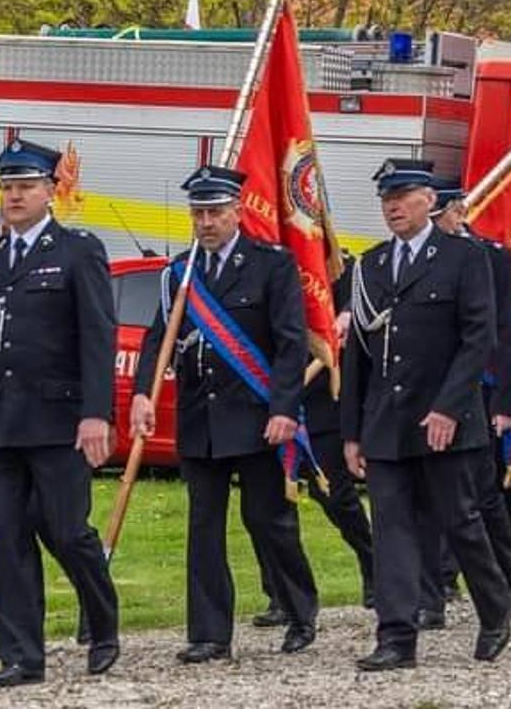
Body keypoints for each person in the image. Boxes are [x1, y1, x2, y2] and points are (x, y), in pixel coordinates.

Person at [129, 165, 317, 664]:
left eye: (215, 212)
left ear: (238, 211)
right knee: (204, 528)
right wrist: (144, 393)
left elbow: (290, 344)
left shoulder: (271, 265)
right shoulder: (180, 272)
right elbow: (157, 339)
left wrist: (284, 409)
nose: (206, 222)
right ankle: (210, 633)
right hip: (201, 419)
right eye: (198, 213)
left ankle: (299, 611)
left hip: (257, 417)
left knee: (269, 521)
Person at [0, 139, 120, 687]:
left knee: (67, 532)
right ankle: (22, 654)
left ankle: (102, 620)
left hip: (59, 421)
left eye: (26, 186)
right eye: (7, 187)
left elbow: (98, 337)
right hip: (1, 421)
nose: (15, 196)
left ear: (51, 191)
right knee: (5, 535)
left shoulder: (78, 251)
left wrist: (98, 413)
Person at [338, 160, 511, 670]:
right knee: (391, 528)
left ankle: (494, 606)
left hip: (445, 421)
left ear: (429, 200)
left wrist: (449, 407)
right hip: (387, 422)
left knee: (459, 521)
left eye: (403, 195)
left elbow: (480, 338)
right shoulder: (368, 267)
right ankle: (397, 637)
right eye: (386, 198)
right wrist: (352, 431)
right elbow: (359, 357)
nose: (392, 206)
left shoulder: (463, 258)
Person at [426, 177, 511, 606]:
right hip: (436, 393)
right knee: (439, 491)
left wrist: (505, 400)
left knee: (489, 489)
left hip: (484, 388)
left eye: (443, 215)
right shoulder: (422, 257)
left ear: (459, 211)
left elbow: (507, 331)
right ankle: (442, 579)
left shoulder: (490, 257)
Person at [256, 262, 376, 626]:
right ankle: (281, 594)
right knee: (269, 507)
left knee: (336, 497)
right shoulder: (264, 266)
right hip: (270, 400)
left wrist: (345, 315)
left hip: (320, 403)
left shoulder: (341, 269)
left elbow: (362, 305)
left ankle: (373, 563)